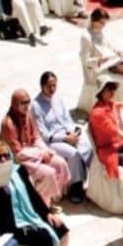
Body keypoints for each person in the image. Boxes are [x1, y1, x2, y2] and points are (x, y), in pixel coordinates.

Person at [0, 89, 70, 205]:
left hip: (35, 152)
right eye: (23, 103)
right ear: (15, 104)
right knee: (48, 173)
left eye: (28, 102)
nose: (26, 106)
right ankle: (42, 205)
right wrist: (41, 154)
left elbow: (36, 137)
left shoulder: (27, 115)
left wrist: (45, 151)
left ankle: (55, 196)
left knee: (60, 163)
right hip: (21, 161)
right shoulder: (8, 124)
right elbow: (18, 154)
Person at [31, 72, 90, 203]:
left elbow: (67, 119)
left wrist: (72, 133)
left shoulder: (58, 98)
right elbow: (45, 134)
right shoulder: (36, 106)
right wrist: (65, 138)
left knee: (87, 146)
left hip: (67, 134)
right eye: (49, 86)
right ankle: (75, 186)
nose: (52, 89)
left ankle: (91, 180)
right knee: (74, 154)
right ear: (42, 86)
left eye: (54, 85)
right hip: (52, 141)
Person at [89, 78, 123, 179]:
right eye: (109, 89)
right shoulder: (98, 113)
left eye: (113, 89)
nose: (112, 92)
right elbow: (115, 131)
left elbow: (114, 104)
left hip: (116, 145)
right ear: (101, 92)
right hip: (107, 150)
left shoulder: (108, 103)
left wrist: (122, 104)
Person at [80, 8, 123, 92]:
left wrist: (117, 51)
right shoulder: (86, 37)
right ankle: (121, 67)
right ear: (94, 21)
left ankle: (122, 66)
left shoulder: (100, 31)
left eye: (105, 23)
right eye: (102, 23)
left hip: (109, 60)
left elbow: (108, 45)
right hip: (99, 67)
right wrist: (99, 60)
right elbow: (85, 60)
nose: (104, 25)